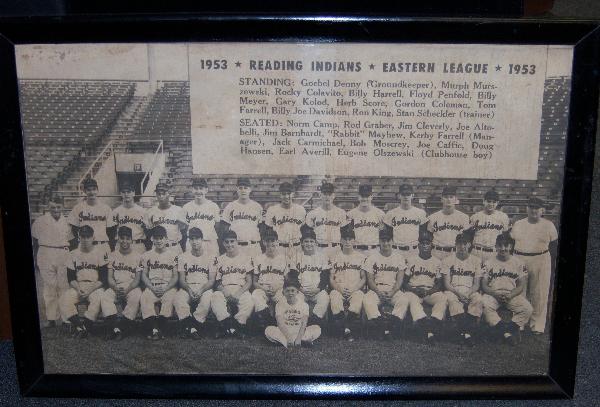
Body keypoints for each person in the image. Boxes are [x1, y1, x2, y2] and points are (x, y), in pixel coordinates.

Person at [510, 196, 558, 335]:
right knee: (520, 291)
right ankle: (520, 322)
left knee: (539, 293)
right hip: (520, 258)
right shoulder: (518, 223)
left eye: (537, 207)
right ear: (527, 208)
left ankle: (537, 324)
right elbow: (512, 243)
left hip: (541, 258)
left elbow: (554, 246)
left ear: (542, 210)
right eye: (531, 207)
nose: (534, 210)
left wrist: (552, 264)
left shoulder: (549, 225)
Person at [481, 233, 533, 345]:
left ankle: (503, 330)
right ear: (495, 246)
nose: (503, 248)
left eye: (506, 245)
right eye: (500, 245)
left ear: (511, 246)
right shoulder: (488, 262)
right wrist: (494, 294)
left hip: (511, 294)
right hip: (494, 293)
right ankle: (506, 334)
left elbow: (521, 285)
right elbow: (484, 285)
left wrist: (511, 295)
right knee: (483, 304)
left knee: (527, 309)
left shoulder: (519, 263)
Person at [58, 225, 109, 338]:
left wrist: (90, 290)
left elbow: (103, 278)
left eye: (88, 236)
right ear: (78, 237)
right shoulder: (72, 254)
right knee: (64, 299)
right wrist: (78, 288)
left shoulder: (100, 252)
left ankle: (84, 327)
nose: (85, 239)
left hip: (95, 286)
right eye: (83, 236)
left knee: (98, 299)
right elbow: (71, 278)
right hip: (79, 286)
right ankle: (81, 326)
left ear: (93, 237)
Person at [31, 195, 73, 328]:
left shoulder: (67, 221)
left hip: (63, 253)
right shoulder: (40, 221)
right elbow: (35, 241)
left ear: (62, 207)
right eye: (52, 207)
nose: (55, 209)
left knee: (64, 286)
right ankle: (51, 318)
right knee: (49, 287)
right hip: (45, 253)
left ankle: (67, 318)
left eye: (58, 207)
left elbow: (71, 241)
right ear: (48, 207)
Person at [362, 228, 408, 338]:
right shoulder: (372, 258)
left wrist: (392, 292)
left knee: (404, 299)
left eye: (388, 240)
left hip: (393, 289)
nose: (385, 243)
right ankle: (383, 325)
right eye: (383, 240)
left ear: (392, 241)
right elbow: (370, 280)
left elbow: (400, 280)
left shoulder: (399, 258)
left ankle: (390, 324)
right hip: (377, 289)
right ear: (379, 241)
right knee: (367, 300)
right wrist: (378, 292)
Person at [402, 231, 448, 341]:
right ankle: (425, 326)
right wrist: (414, 290)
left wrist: (429, 292)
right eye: (422, 243)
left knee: (442, 298)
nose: (425, 245)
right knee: (412, 300)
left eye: (427, 243)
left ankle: (433, 321)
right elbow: (404, 282)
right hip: (414, 290)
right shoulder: (411, 260)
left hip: (429, 291)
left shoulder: (437, 262)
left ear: (431, 245)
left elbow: (439, 283)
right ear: (418, 245)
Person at [173, 227, 216, 339]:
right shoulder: (183, 257)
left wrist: (201, 290)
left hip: (204, 287)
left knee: (207, 300)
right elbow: (181, 279)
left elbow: (211, 280)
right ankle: (193, 328)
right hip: (188, 287)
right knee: (178, 299)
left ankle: (191, 325)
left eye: (197, 238)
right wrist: (189, 290)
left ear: (202, 240)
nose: (195, 241)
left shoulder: (210, 256)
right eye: (192, 239)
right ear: (189, 241)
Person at [211, 230, 255, 338]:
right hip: (224, 288)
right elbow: (217, 281)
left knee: (249, 300)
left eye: (232, 241)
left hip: (241, 288)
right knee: (216, 297)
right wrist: (224, 291)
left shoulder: (246, 258)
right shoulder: (219, 259)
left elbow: (249, 281)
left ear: (237, 242)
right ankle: (225, 325)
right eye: (227, 242)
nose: (229, 244)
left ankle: (237, 325)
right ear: (223, 243)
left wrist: (238, 293)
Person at [101, 226, 143, 340]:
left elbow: (137, 280)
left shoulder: (138, 256)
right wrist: (115, 289)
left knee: (136, 297)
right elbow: (110, 277)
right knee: (105, 297)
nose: (124, 241)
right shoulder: (112, 255)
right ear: (118, 239)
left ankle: (120, 328)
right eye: (122, 238)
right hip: (116, 286)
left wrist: (126, 291)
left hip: (131, 287)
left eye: (127, 238)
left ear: (131, 240)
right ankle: (114, 328)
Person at [441, 233, 483, 345]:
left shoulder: (476, 260)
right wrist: (459, 294)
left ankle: (464, 332)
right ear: (455, 245)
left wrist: (468, 294)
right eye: (459, 244)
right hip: (453, 290)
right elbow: (447, 284)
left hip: (470, 290)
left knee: (478, 299)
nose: (462, 246)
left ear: (469, 244)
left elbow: (476, 284)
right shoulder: (448, 260)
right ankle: (466, 333)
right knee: (450, 298)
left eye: (465, 243)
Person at [139, 226, 179, 340]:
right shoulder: (146, 255)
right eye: (156, 238)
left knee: (170, 298)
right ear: (152, 239)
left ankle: (161, 327)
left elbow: (175, 276)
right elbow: (144, 276)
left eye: (161, 238)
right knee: (145, 298)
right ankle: (154, 328)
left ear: (166, 239)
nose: (159, 240)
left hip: (168, 286)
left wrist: (166, 288)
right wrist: (151, 287)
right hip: (153, 286)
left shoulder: (173, 255)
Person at [329, 225, 366, 341]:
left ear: (354, 241)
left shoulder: (361, 257)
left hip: (354, 289)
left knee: (359, 297)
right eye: (345, 239)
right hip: (339, 288)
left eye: (350, 239)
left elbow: (363, 278)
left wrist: (354, 289)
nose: (347, 241)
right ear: (341, 240)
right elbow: (331, 278)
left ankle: (345, 328)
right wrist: (339, 289)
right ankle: (347, 329)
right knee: (334, 297)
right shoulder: (334, 257)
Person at [265, 274, 321, 348]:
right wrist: (289, 337)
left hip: (299, 331)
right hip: (285, 331)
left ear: (297, 292)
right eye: (287, 291)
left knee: (317, 328)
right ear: (283, 293)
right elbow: (280, 323)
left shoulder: (304, 305)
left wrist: (298, 337)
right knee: (268, 330)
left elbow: (304, 324)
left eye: (292, 290)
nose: (290, 293)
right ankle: (292, 342)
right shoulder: (279, 304)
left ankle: (294, 341)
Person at [289, 225, 331, 325]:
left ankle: (314, 321)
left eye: (311, 241)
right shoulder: (296, 257)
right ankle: (299, 323)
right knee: (296, 301)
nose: (309, 244)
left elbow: (325, 277)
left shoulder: (322, 257)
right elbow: (293, 277)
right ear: (302, 243)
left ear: (315, 243)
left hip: (317, 290)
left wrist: (318, 289)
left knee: (324, 298)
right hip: (301, 290)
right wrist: (300, 289)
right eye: (306, 241)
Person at [252, 229, 289, 328]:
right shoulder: (258, 258)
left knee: (284, 300)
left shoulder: (284, 258)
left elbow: (288, 280)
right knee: (256, 295)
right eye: (267, 240)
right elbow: (254, 282)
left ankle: (279, 322)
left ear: (277, 241)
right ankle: (268, 320)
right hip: (263, 288)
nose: (270, 243)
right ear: (263, 242)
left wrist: (278, 288)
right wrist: (263, 288)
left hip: (279, 289)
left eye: (272, 240)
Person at [221, 178, 264, 258]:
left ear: (250, 189)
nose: (243, 190)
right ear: (237, 189)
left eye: (245, 188)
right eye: (240, 188)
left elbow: (261, 228)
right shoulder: (230, 207)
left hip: (253, 247)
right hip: (237, 247)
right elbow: (225, 229)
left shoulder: (257, 207)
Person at [305, 182, 348, 258]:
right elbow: (308, 234)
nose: (327, 196)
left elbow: (345, 234)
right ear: (320, 195)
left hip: (336, 249)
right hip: (319, 249)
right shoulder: (312, 213)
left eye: (329, 194)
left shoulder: (341, 213)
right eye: (325, 194)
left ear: (333, 196)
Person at [67, 178, 112, 252]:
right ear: (84, 191)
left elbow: (111, 231)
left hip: (101, 245)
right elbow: (73, 229)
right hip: (84, 247)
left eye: (94, 189)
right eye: (89, 190)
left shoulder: (106, 208)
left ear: (97, 190)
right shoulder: (78, 208)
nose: (92, 192)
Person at [264, 182, 305, 260]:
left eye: (288, 193)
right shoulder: (272, 210)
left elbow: (303, 229)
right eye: (283, 194)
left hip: (296, 246)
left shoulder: (301, 210)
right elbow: (268, 230)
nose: (286, 196)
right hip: (279, 247)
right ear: (280, 195)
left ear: (293, 194)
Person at [427, 186, 470, 260]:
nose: (449, 199)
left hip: (455, 252)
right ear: (441, 199)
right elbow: (429, 236)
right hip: (437, 252)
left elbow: (467, 238)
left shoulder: (464, 217)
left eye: (451, 197)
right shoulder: (432, 217)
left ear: (456, 199)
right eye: (446, 197)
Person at [383, 184, 427, 256]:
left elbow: (423, 232)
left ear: (412, 195)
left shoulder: (421, 213)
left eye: (408, 194)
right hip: (397, 250)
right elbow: (388, 234)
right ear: (399, 195)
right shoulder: (390, 213)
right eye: (403, 194)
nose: (406, 196)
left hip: (414, 250)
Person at [182, 178, 221, 258]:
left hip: (209, 242)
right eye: (196, 188)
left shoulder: (213, 206)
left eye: (201, 188)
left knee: (213, 267)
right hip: (193, 242)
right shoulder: (186, 207)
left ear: (206, 190)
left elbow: (217, 226)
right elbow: (185, 227)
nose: (198, 191)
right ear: (192, 190)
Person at [145, 183, 187, 254]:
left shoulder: (178, 210)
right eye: (158, 194)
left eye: (164, 193)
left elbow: (184, 232)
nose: (161, 196)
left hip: (174, 246)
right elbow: (148, 233)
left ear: (169, 194)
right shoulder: (150, 211)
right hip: (157, 248)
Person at [469, 190, 510, 262]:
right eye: (489, 201)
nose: (491, 204)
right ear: (483, 201)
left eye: (494, 202)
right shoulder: (475, 217)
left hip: (494, 252)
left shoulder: (503, 217)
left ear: (497, 203)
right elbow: (470, 236)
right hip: (477, 251)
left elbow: (505, 235)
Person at [108, 182, 148, 253]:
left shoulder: (142, 211)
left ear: (134, 193)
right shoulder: (115, 212)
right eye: (124, 192)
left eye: (129, 192)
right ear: (121, 194)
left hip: (137, 244)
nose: (126, 194)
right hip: (121, 245)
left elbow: (147, 231)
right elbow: (111, 233)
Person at [347, 184, 384, 256]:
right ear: (358, 197)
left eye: (367, 196)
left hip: (374, 250)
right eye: (362, 196)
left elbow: (383, 235)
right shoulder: (350, 214)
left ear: (371, 197)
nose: (364, 198)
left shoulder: (380, 214)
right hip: (356, 251)